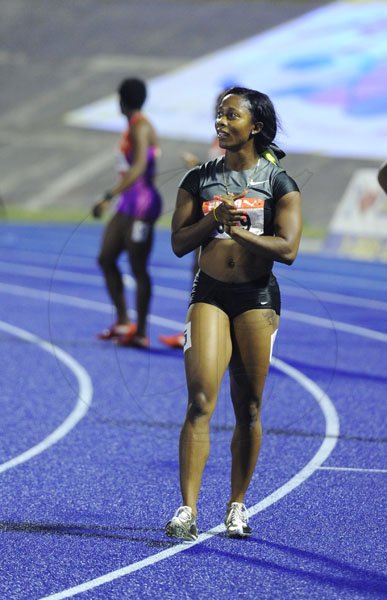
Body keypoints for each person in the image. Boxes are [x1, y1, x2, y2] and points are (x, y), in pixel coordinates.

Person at [165, 86, 302, 541]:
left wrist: (238, 234)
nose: (220, 122)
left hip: (257, 298)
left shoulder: (279, 183)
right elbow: (180, 242)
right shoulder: (198, 180)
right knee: (201, 398)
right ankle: (187, 508)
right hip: (210, 293)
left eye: (230, 116)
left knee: (248, 406)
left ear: (255, 127)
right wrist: (213, 221)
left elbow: (288, 249)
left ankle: (237, 505)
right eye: (218, 115)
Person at [92, 78, 162, 348]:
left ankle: (141, 331)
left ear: (122, 100)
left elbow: (139, 167)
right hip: (128, 204)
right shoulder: (132, 126)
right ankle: (123, 320)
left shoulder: (141, 127)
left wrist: (108, 196)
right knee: (106, 257)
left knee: (137, 267)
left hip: (142, 204)